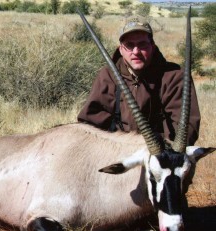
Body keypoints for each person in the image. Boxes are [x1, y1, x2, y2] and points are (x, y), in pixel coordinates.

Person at [77, 15, 200, 146]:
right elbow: (89, 124)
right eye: (129, 45)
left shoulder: (174, 76)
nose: (136, 51)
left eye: (142, 45)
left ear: (152, 45)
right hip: (117, 151)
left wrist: (152, 148)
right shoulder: (108, 75)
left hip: (161, 155)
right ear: (121, 49)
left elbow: (186, 129)